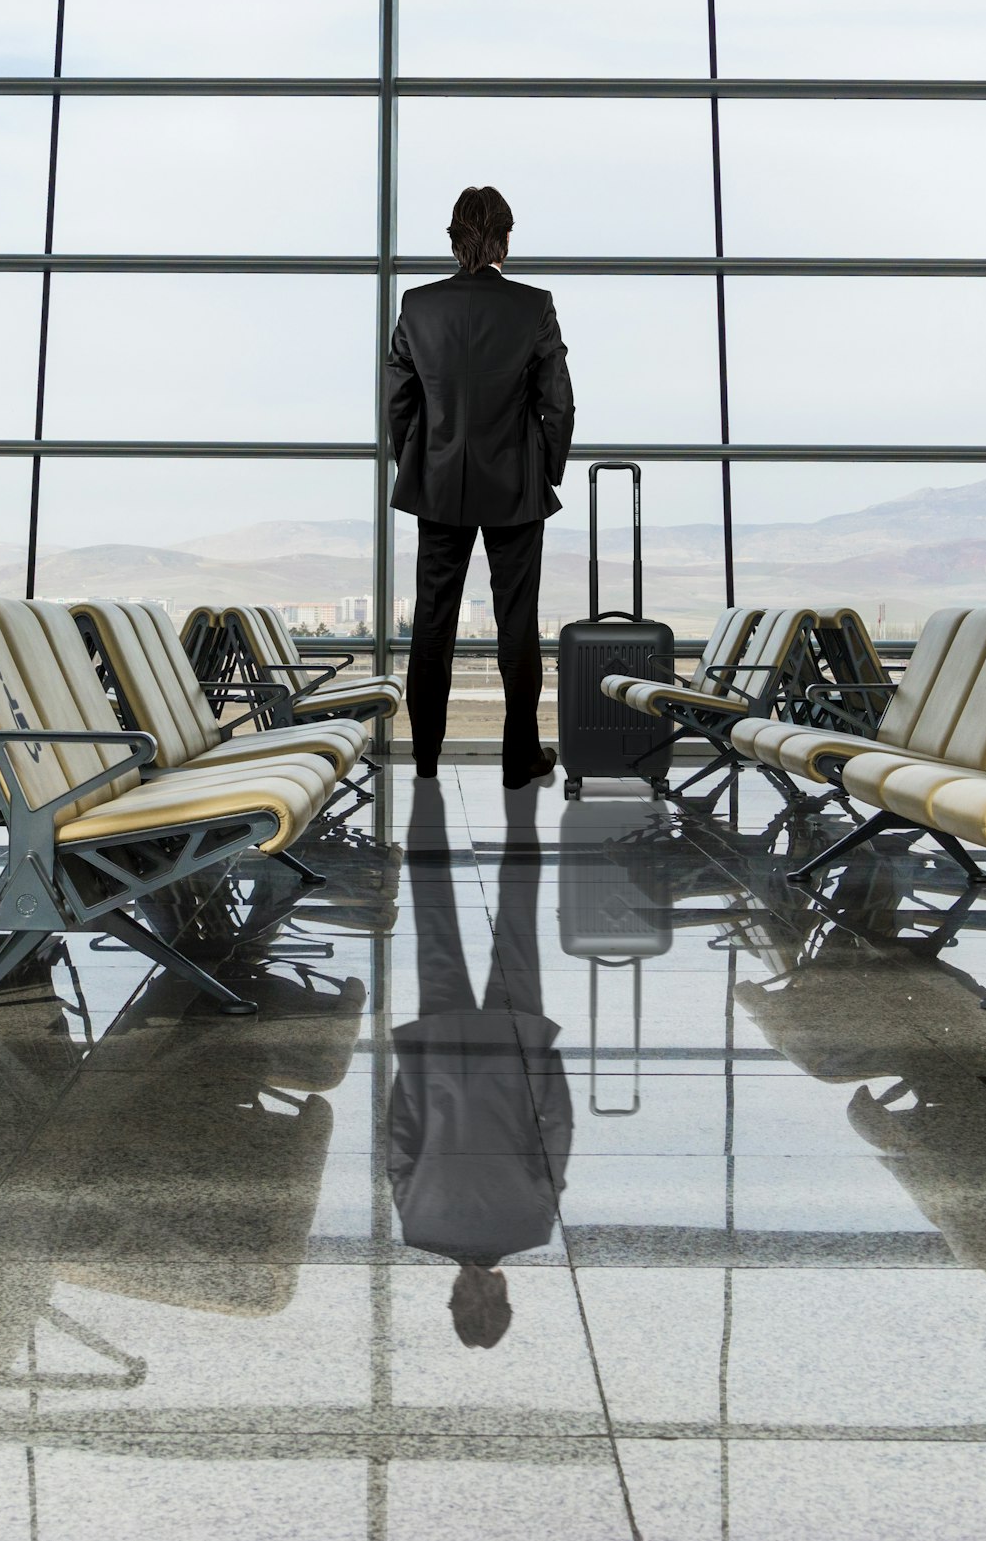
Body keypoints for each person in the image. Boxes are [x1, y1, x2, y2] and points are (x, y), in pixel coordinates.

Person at [382, 185, 575, 786]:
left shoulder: (418, 305)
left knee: (433, 622)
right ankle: (520, 759)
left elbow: (398, 401)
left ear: (454, 238)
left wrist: (415, 464)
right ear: (506, 238)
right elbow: (559, 405)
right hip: (515, 487)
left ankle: (425, 758)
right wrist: (543, 474)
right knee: (518, 621)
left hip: (437, 485)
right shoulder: (534, 305)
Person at [383, 782, 572, 1346]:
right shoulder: (418, 1227)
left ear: (504, 1294)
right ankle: (424, 782)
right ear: (453, 1298)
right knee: (433, 915)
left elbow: (555, 1131)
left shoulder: (532, 1226)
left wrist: (547, 1062)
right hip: (439, 1055)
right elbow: (398, 1144)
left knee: (517, 918)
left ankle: (519, 792)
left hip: (516, 1051)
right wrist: (417, 1068)